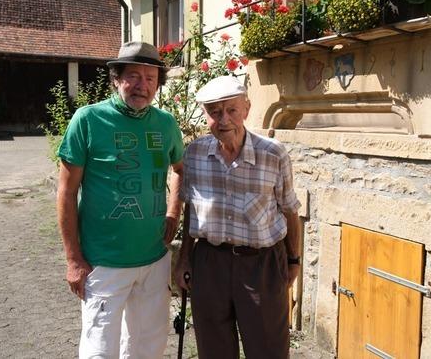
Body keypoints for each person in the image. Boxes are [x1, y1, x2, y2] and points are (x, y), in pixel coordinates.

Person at [57, 41, 184, 358]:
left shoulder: (166, 124)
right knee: (99, 350)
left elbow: (180, 170)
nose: (143, 85)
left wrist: (173, 214)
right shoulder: (88, 121)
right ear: (116, 78)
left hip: (155, 259)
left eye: (151, 77)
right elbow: (67, 192)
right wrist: (73, 259)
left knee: (147, 346)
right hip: (103, 261)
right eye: (133, 76)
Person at [174, 75, 302, 359]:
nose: (224, 120)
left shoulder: (273, 153)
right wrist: (185, 258)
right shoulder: (194, 153)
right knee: (213, 348)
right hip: (209, 263)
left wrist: (294, 260)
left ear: (246, 109)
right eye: (214, 112)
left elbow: (290, 209)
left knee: (268, 348)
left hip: (262, 264)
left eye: (231, 110)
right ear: (205, 115)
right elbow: (190, 207)